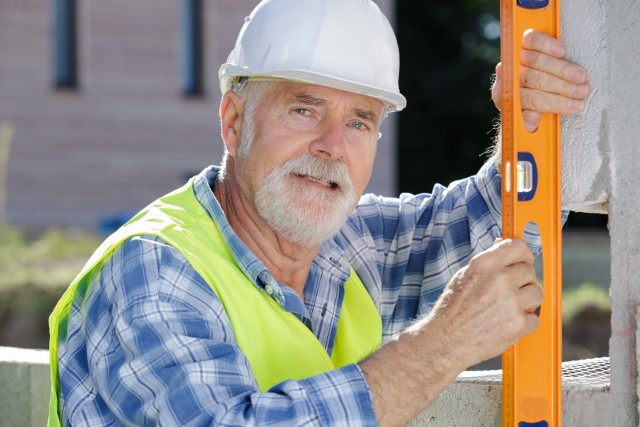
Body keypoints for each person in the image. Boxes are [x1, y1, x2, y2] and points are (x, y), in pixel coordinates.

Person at [48, 0, 591, 425]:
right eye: (304, 108)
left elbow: (491, 218)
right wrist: (441, 346)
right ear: (234, 121)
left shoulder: (347, 245)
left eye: (359, 121)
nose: (332, 145)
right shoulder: (155, 272)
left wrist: (532, 119)